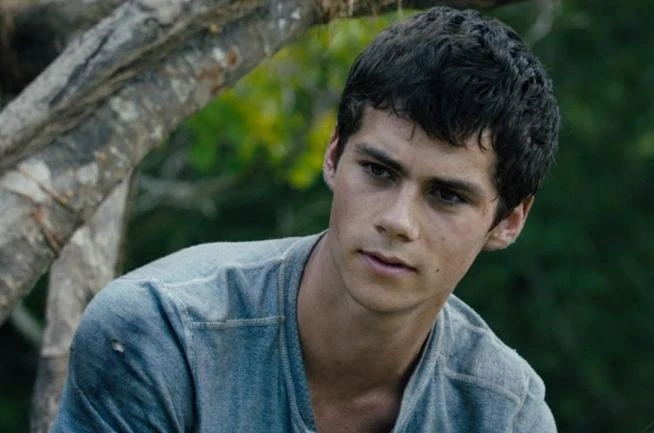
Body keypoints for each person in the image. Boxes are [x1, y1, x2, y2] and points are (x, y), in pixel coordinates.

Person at [52, 6, 560, 433]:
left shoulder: (507, 414)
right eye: (378, 171)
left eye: (447, 195)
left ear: (508, 220)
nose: (397, 221)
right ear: (334, 155)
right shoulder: (161, 335)